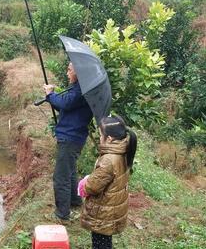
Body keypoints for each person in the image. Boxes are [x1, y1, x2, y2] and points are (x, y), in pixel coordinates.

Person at [77, 115, 137, 249]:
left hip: (103, 211)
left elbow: (93, 187)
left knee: (100, 243)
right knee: (105, 241)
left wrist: (84, 184)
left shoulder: (109, 160)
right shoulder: (123, 151)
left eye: (100, 136)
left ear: (109, 139)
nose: (99, 139)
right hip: (111, 207)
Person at [43, 62, 93, 221]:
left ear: (77, 73)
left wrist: (51, 94)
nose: (67, 73)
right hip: (74, 136)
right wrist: (52, 98)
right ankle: (75, 200)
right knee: (70, 172)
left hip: (70, 137)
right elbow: (66, 107)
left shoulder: (80, 91)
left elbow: (65, 103)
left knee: (61, 176)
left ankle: (62, 214)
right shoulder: (80, 89)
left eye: (70, 70)